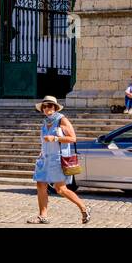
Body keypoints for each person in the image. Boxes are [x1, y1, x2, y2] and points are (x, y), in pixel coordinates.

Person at [30, 96, 90, 224]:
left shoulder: (61, 120)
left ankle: (84, 208)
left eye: (50, 106)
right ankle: (43, 216)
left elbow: (73, 138)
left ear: (55, 107)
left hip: (57, 159)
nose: (47, 108)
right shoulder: (45, 122)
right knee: (40, 185)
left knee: (60, 189)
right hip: (45, 158)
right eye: (44, 106)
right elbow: (45, 141)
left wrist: (55, 138)